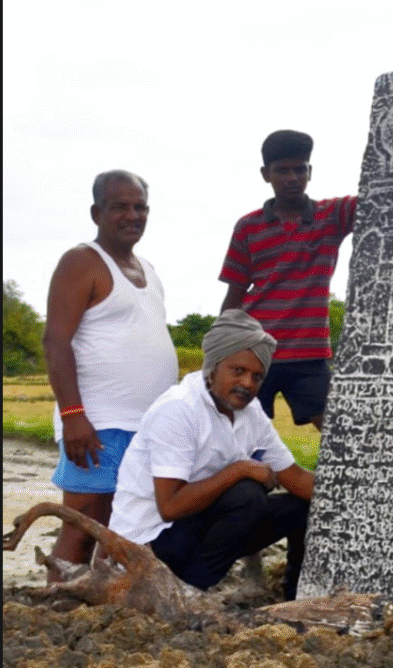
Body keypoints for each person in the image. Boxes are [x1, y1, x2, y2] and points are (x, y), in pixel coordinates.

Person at [109, 310, 314, 600]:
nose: (247, 384)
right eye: (238, 371)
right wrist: (239, 469)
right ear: (214, 366)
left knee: (304, 507)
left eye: (257, 377)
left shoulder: (251, 413)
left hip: (192, 530)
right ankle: (190, 593)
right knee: (246, 494)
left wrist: (356, 496)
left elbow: (295, 478)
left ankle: (298, 597)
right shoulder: (179, 409)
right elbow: (170, 506)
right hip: (147, 544)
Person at [42, 170, 178, 583]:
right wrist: (73, 414)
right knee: (83, 527)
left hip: (146, 426)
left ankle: (96, 613)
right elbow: (56, 342)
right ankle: (54, 613)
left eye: (140, 207)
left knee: (126, 533)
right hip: (100, 423)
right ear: (96, 212)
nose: (132, 215)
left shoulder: (148, 269)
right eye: (120, 206)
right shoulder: (81, 262)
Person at [220, 130, 357, 430]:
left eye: (300, 169)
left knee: (337, 431)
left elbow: (378, 201)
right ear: (265, 174)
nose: (293, 177)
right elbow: (235, 293)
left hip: (309, 353)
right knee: (240, 431)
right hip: (256, 349)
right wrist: (220, 349)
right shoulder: (248, 227)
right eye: (282, 170)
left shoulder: (330, 216)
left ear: (310, 172)